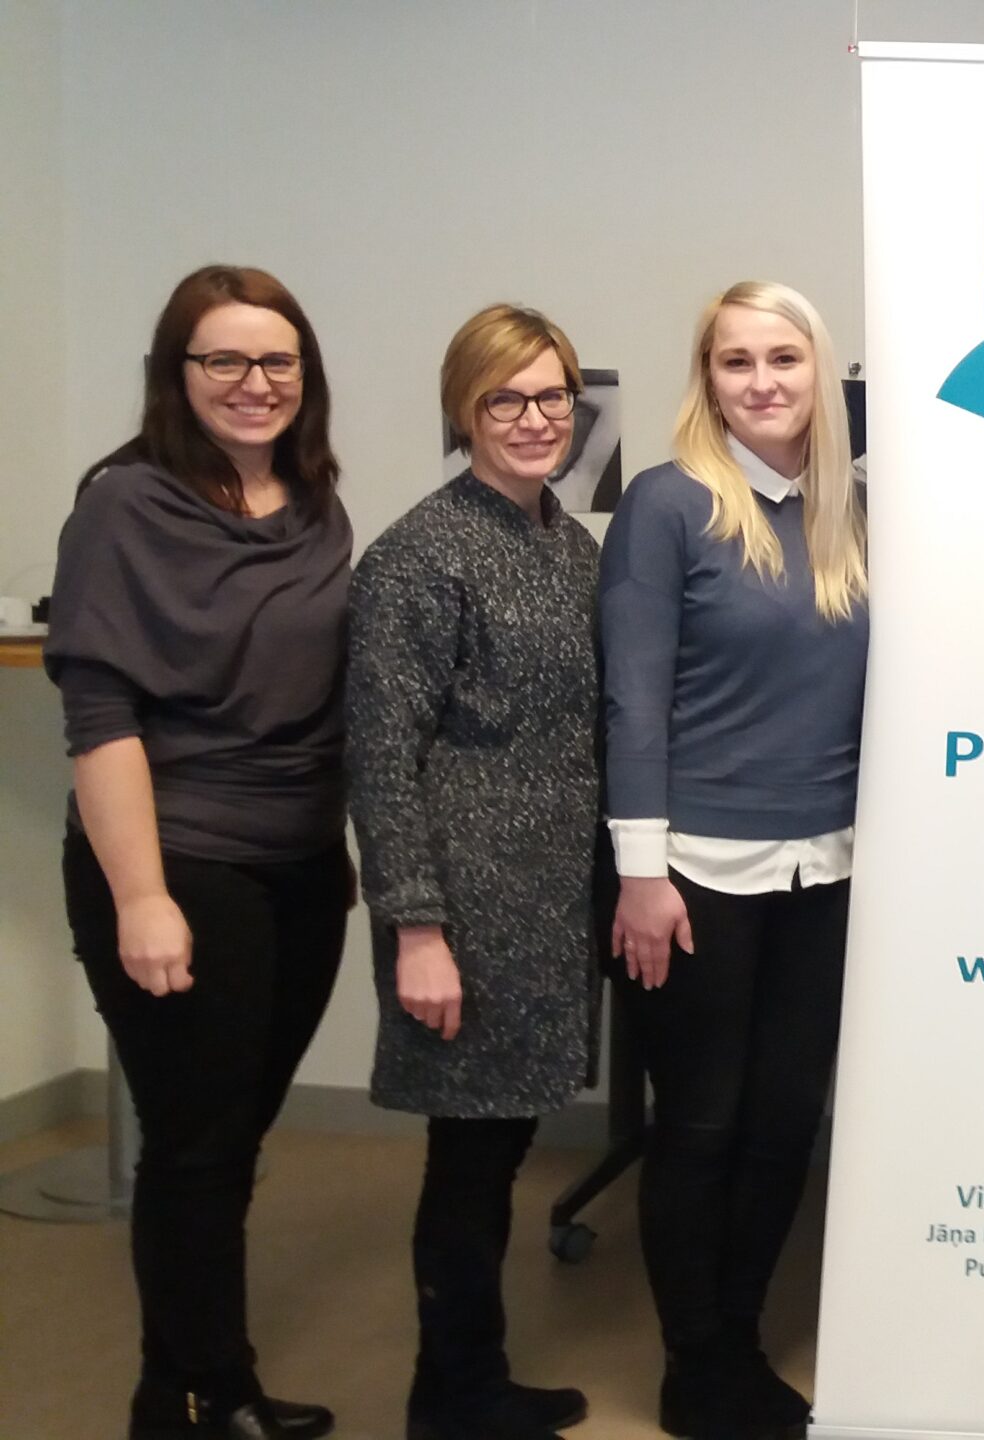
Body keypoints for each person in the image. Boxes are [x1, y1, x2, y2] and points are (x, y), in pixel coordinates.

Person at [44, 265, 352, 1440]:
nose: (253, 382)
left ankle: (168, 1394)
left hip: (301, 867)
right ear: (177, 374)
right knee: (196, 1147)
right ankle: (213, 1391)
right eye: (223, 358)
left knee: (226, 1144)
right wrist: (142, 897)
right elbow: (99, 716)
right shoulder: (124, 505)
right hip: (178, 863)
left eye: (277, 359)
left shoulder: (316, 505)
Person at [602, 281, 870, 1440]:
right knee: (701, 1123)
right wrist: (640, 875)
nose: (761, 381)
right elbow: (633, 702)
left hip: (829, 870)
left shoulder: (854, 513)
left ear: (820, 374)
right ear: (706, 380)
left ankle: (740, 1342)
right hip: (694, 872)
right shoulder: (667, 505)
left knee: (783, 1122)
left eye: (783, 358)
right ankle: (692, 1364)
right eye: (734, 361)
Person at [345, 305, 602, 1440]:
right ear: (464, 409)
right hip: (464, 903)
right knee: (471, 1160)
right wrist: (417, 928)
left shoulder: (569, 544)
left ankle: (468, 1380)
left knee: (501, 1147)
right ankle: (452, 1394)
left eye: (553, 396)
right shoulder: (421, 554)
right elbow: (380, 755)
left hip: (549, 896)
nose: (535, 418)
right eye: (507, 398)